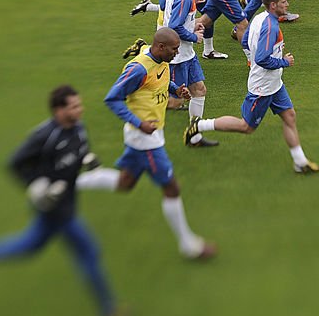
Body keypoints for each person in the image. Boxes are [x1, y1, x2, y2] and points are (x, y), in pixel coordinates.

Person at [0, 86, 125, 316]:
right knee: (89, 252)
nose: (80, 109)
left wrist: (87, 160)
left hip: (67, 202)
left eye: (80, 104)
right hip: (54, 209)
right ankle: (111, 312)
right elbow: (15, 163)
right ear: (59, 110)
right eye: (74, 106)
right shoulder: (44, 136)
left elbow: (80, 151)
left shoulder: (78, 128)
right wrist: (36, 187)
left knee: (29, 245)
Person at [77, 28, 217, 260]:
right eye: (174, 49)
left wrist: (176, 89)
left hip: (151, 133)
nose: (176, 53)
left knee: (125, 182)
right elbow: (112, 98)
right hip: (144, 138)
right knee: (171, 187)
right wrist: (139, 123)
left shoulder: (161, 59)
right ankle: (189, 245)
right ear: (160, 47)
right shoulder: (138, 69)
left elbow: (160, 80)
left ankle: (67, 183)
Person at [184, 0, 319, 174]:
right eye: (283, 2)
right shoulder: (270, 27)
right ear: (273, 5)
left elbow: (246, 39)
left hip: (275, 83)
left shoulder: (259, 17)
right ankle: (199, 125)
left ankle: (300, 162)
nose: (287, 4)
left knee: (289, 116)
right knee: (246, 127)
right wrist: (284, 61)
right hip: (262, 86)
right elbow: (262, 59)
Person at [163, 0, 218, 147]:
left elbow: (179, 22)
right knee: (174, 100)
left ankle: (194, 136)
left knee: (199, 90)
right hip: (177, 57)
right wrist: (194, 37)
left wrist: (194, 25)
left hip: (187, 54)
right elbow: (174, 26)